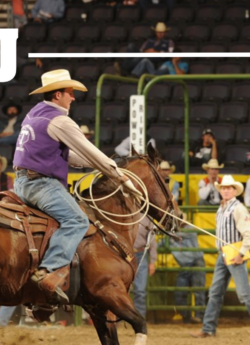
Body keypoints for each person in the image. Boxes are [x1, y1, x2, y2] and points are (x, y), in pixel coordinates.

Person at [15, 69, 131, 304]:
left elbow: (71, 157)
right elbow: (89, 151)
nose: (73, 97)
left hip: (21, 182)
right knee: (77, 220)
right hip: (41, 184)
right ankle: (49, 271)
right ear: (57, 95)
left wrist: (102, 166)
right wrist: (118, 175)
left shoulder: (35, 114)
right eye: (70, 93)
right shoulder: (60, 120)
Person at [191, 175, 250, 339]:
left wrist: (241, 254)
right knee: (215, 292)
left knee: (243, 293)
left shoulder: (238, 208)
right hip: (224, 253)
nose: (226, 190)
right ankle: (208, 328)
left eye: (229, 188)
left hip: (234, 253)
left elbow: (249, 234)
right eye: (224, 188)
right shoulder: (222, 208)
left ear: (234, 190)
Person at [169, 214, 206, 324]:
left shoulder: (189, 230)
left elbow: (181, 235)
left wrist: (167, 233)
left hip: (196, 262)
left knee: (198, 291)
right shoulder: (172, 235)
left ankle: (200, 316)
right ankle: (186, 316)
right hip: (186, 265)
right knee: (180, 292)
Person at [131, 209, 158, 318]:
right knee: (121, 288)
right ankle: (120, 317)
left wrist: (152, 261)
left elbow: (152, 241)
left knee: (140, 290)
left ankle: (139, 318)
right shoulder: (123, 214)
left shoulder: (148, 218)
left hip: (140, 253)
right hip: (125, 254)